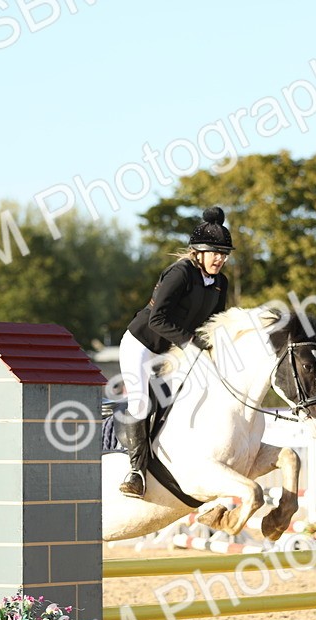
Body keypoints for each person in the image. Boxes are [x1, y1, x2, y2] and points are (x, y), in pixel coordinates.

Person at [115, 206, 233, 498]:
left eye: (224, 254)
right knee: (141, 403)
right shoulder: (180, 273)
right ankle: (136, 472)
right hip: (142, 345)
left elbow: (213, 324)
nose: (220, 259)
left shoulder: (220, 283)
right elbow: (157, 320)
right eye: (215, 253)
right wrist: (191, 341)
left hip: (174, 350)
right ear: (198, 253)